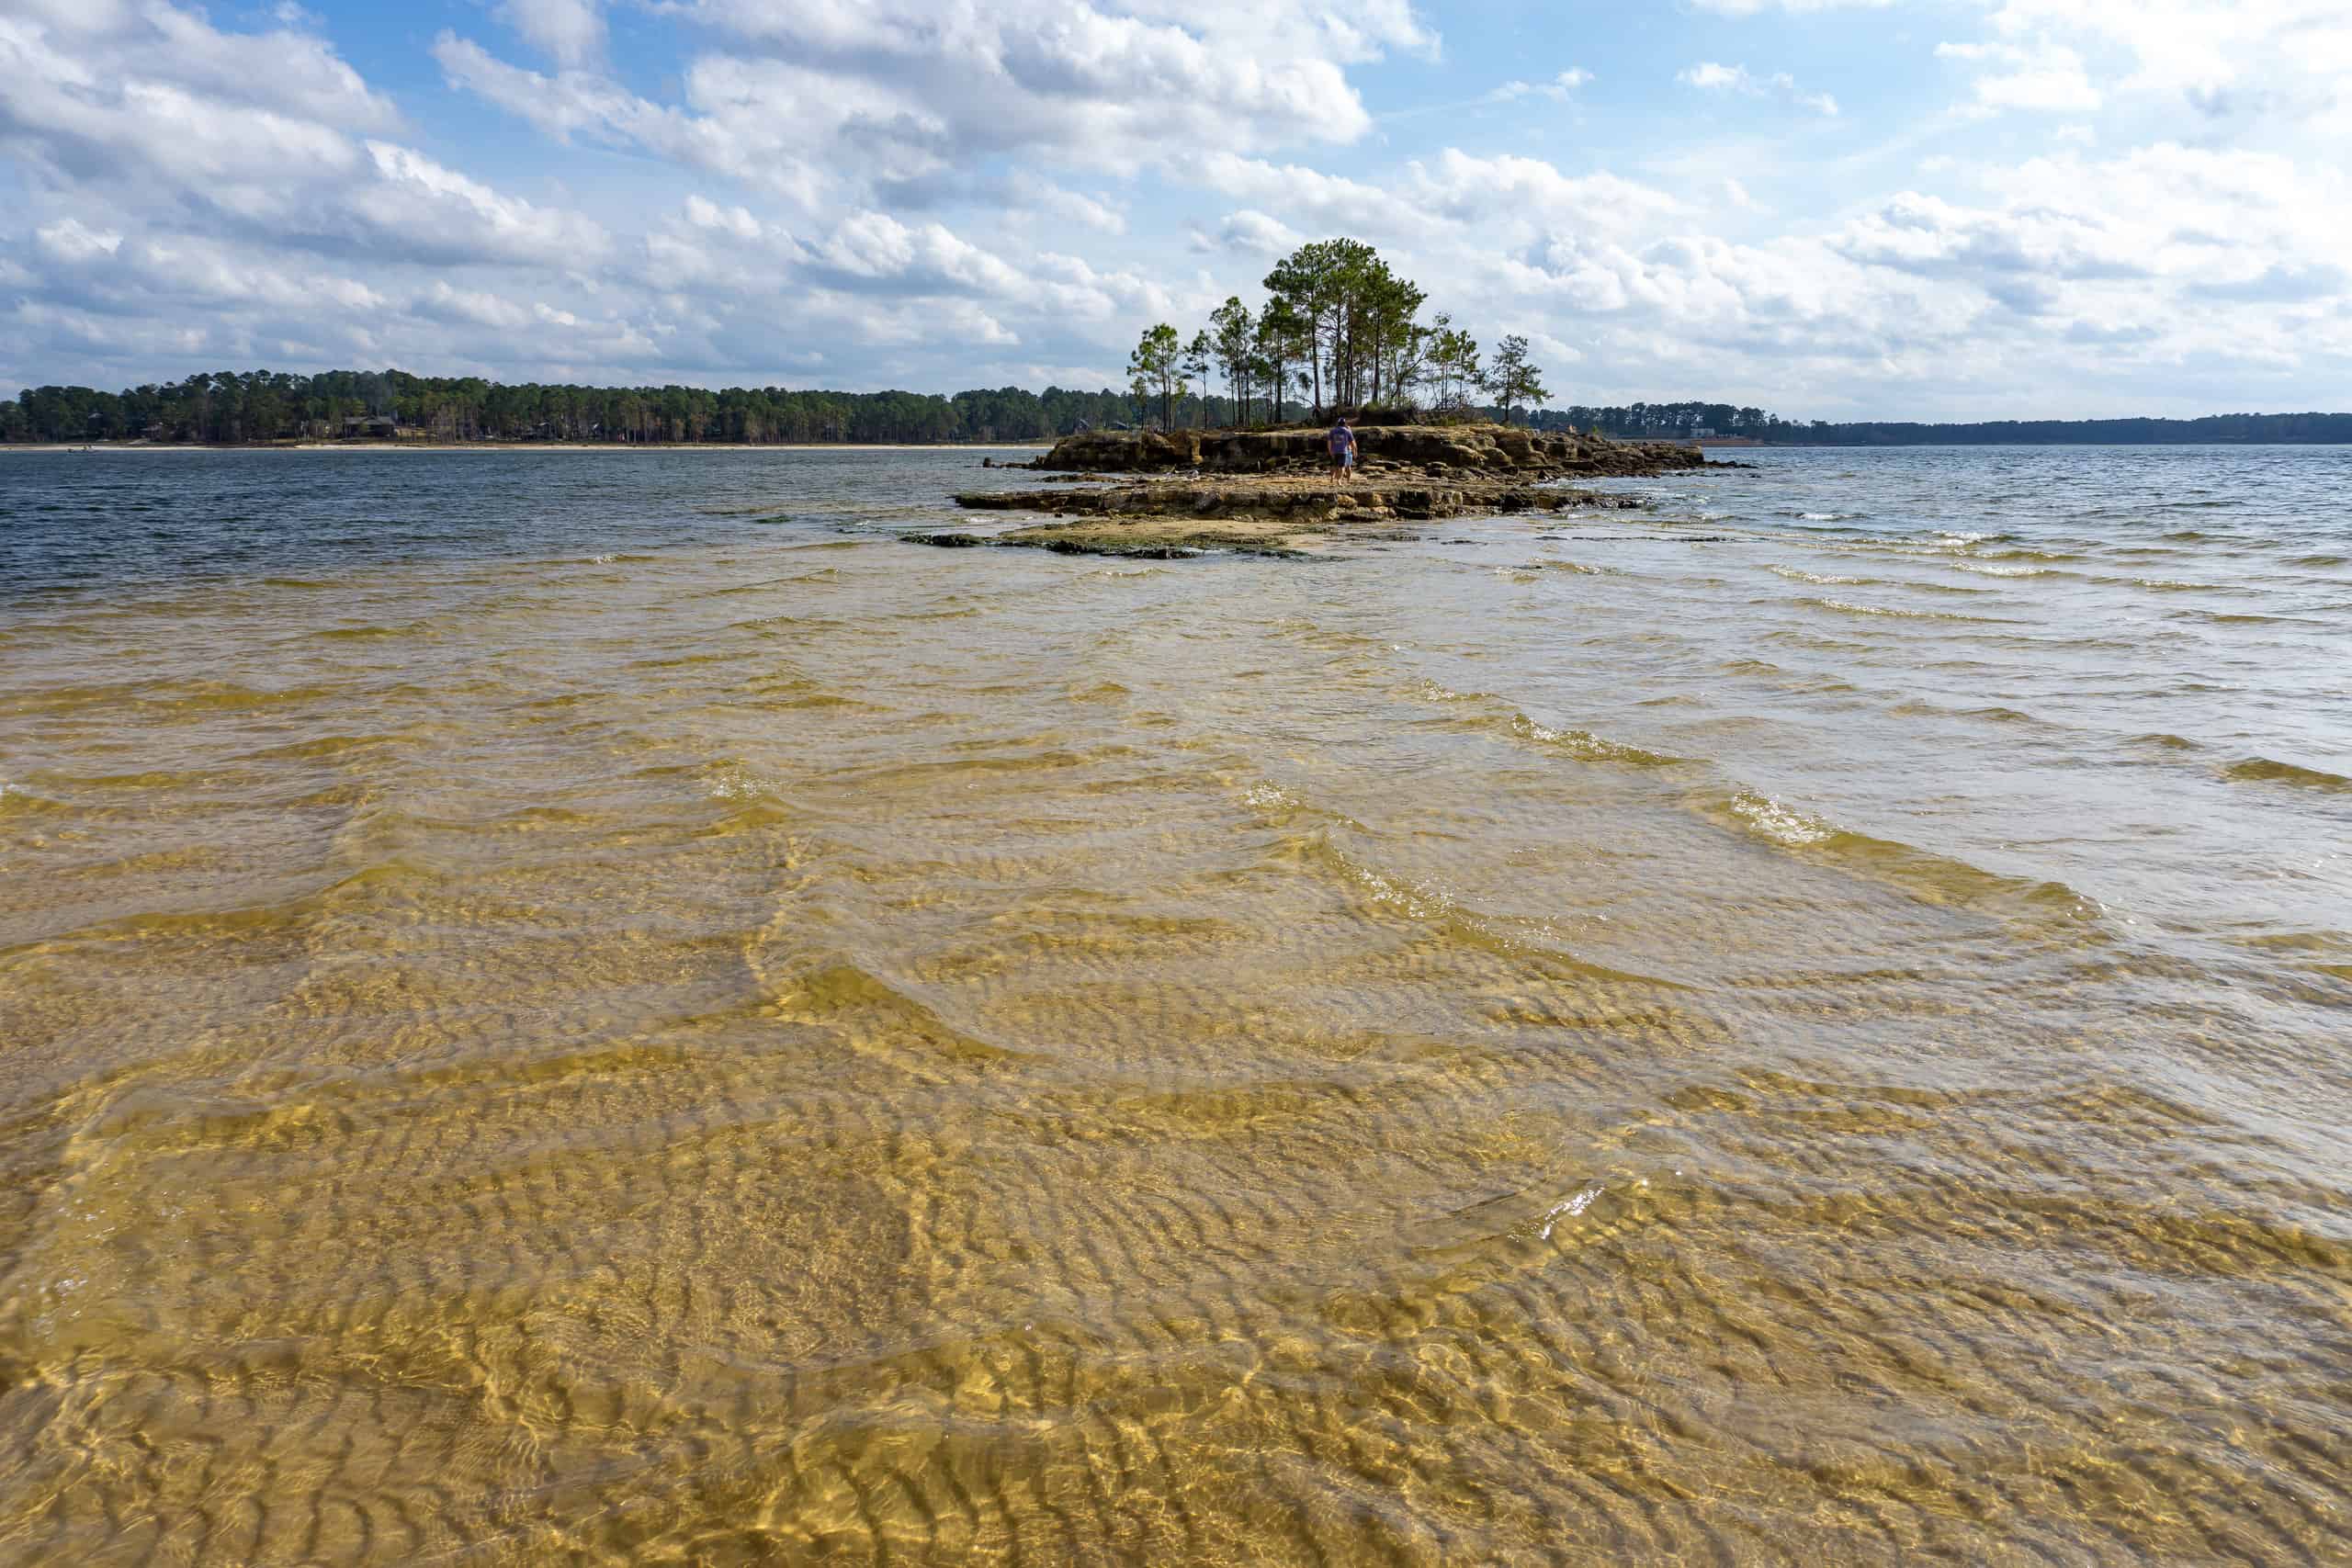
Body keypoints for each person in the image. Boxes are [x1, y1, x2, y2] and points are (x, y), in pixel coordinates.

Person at [1327, 414, 1356, 486]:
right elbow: (1353, 443)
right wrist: (1354, 451)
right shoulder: (1347, 431)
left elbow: (1329, 442)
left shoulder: (1332, 431)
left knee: (1335, 466)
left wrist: (1330, 451)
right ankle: (1339, 480)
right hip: (1343, 451)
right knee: (1342, 467)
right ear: (1344, 424)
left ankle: (1335, 478)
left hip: (1334, 451)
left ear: (1338, 423)